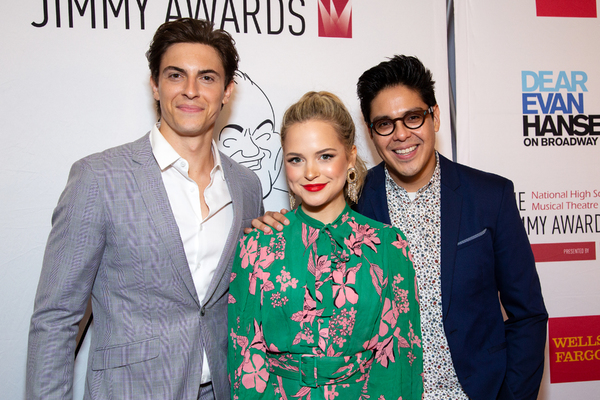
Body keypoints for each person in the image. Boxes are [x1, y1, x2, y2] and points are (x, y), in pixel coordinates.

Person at [252, 56, 548, 400]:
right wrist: (274, 226)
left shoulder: (489, 196)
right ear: (369, 130)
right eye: (385, 124)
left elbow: (527, 314)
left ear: (434, 116)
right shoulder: (351, 201)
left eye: (413, 117)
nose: (401, 135)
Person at [26, 18, 264, 400]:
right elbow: (56, 318)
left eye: (206, 77)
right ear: (155, 85)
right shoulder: (99, 178)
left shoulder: (246, 186)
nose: (190, 91)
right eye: (175, 75)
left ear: (227, 91)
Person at [228, 92, 422, 399]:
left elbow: (399, 361)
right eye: (296, 159)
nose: (310, 172)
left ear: (350, 157)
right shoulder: (257, 245)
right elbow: (243, 355)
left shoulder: (388, 246)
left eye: (325, 156)